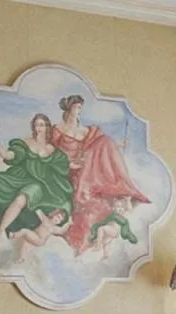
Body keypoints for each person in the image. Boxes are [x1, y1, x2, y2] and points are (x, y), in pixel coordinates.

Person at [50, 95, 150, 253]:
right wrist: (69, 164)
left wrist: (116, 146)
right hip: (68, 170)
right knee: (87, 203)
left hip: (88, 167)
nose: (78, 111)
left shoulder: (87, 130)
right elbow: (53, 156)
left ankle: (122, 190)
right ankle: (82, 240)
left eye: (80, 108)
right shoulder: (57, 130)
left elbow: (98, 145)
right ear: (69, 109)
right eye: (76, 107)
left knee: (105, 142)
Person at [0, 113, 72, 241]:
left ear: (47, 127)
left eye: (41, 125)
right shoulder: (25, 143)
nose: (38, 128)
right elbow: (7, 155)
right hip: (17, 177)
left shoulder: (53, 150)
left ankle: (1, 229)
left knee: (22, 198)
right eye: (36, 125)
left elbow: (62, 168)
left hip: (38, 183)